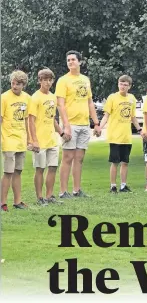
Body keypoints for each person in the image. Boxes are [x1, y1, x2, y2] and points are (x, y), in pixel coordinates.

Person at [56, 50, 101, 198]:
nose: (70, 62)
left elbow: (89, 102)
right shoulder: (63, 80)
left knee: (79, 159)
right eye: (68, 60)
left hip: (84, 124)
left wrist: (96, 123)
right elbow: (60, 105)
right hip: (71, 124)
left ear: (80, 62)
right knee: (67, 158)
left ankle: (77, 190)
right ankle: (63, 191)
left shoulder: (85, 80)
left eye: (73, 60)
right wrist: (66, 126)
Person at [99, 75, 142, 193]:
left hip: (126, 137)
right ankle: (113, 186)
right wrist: (99, 127)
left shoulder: (132, 98)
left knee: (125, 162)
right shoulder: (112, 97)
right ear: (118, 84)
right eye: (121, 84)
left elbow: (133, 117)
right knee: (115, 162)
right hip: (115, 136)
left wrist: (140, 130)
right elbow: (106, 115)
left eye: (125, 84)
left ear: (129, 86)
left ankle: (123, 185)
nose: (123, 86)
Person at [29, 69, 65, 206]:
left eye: (50, 80)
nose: (48, 82)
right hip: (40, 140)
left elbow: (52, 118)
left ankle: (49, 196)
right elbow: (30, 120)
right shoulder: (35, 97)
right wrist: (34, 140)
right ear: (39, 81)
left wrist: (61, 132)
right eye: (45, 80)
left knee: (53, 167)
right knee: (40, 168)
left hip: (52, 139)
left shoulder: (52, 97)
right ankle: (39, 198)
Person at [1, 71, 31, 211]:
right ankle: (2, 203)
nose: (14, 86)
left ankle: (17, 201)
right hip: (8, 139)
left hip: (21, 140)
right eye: (13, 83)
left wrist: (29, 138)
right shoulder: (4, 98)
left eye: (18, 84)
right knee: (8, 172)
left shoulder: (27, 98)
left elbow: (26, 120)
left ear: (23, 85)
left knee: (18, 171)